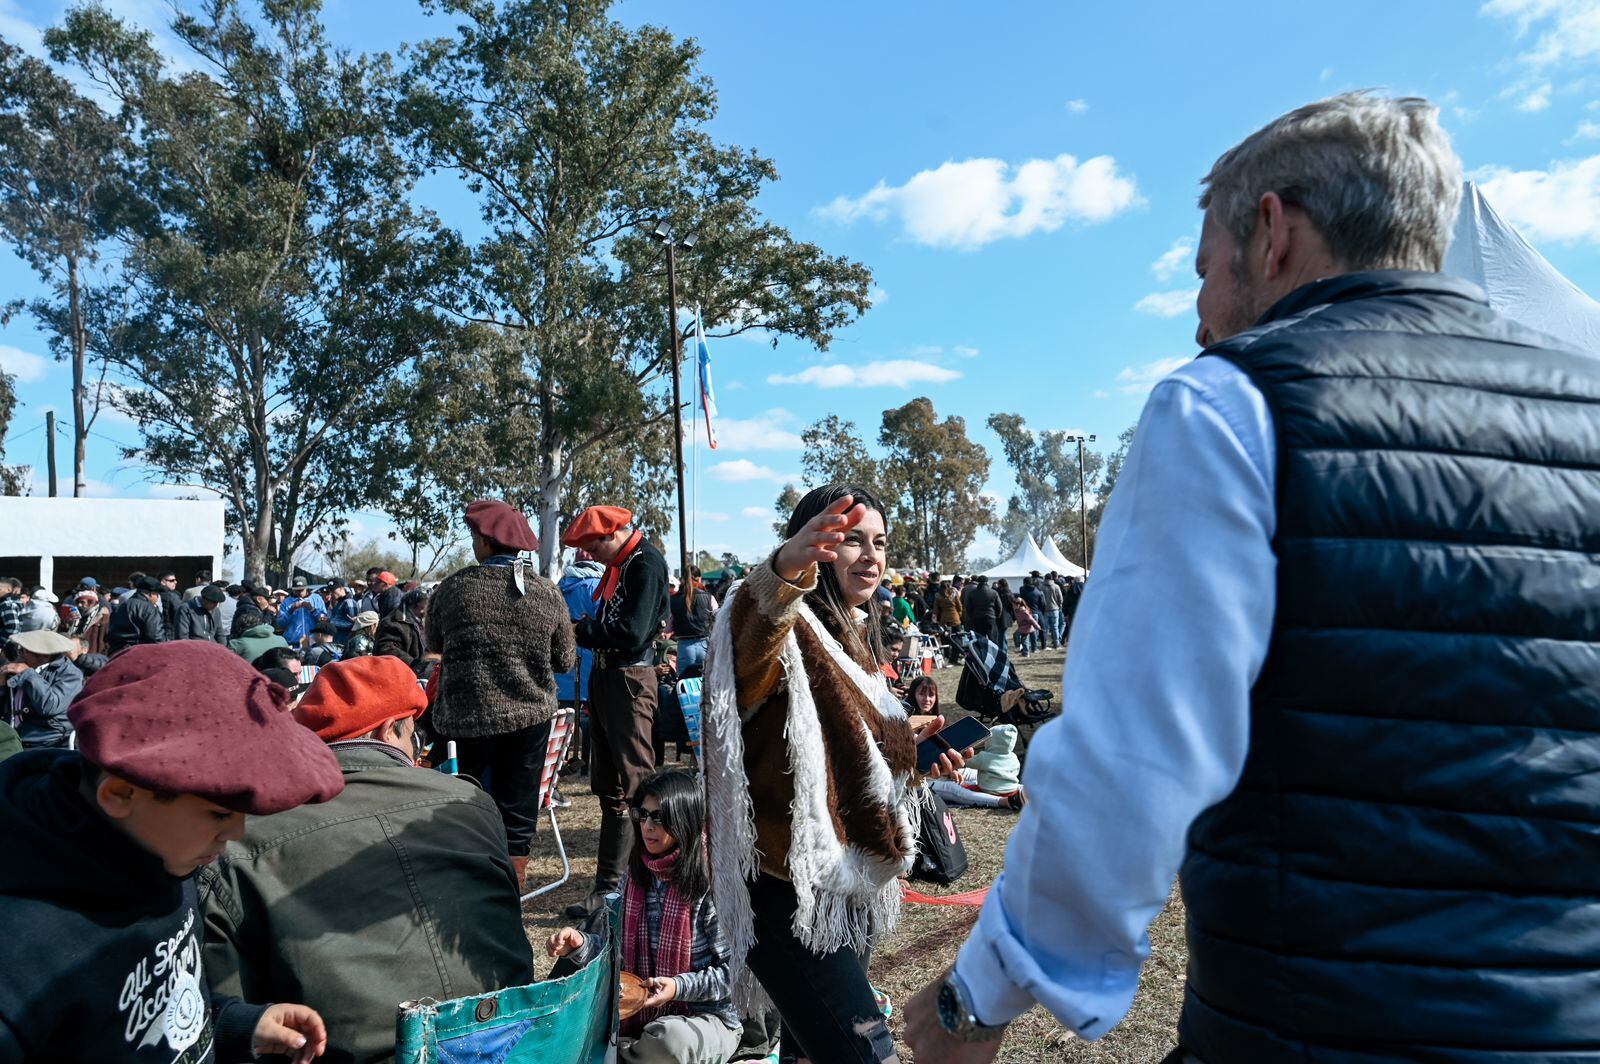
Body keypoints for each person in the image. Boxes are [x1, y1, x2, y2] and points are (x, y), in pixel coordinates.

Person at [903, 93, 1600, 1064]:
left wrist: (972, 1002)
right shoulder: (1583, 406)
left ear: (1270, 231)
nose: (1199, 314)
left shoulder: (1230, 405)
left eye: (1201, 270)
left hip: (1310, 1024)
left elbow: (1125, 771)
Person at [699, 485, 970, 1064]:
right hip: (786, 891)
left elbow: (847, 757)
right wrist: (785, 569)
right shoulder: (785, 625)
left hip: (846, 885)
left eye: (879, 543)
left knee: (807, 1056)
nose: (871, 556)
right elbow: (750, 631)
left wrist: (915, 759)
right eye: (850, 540)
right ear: (814, 545)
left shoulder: (855, 638)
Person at [0, 641, 344, 1063]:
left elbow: (152, 1009)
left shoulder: (165, 854)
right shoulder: (19, 952)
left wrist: (236, 1023)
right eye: (219, 814)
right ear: (121, 794)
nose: (235, 832)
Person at [200, 655, 533, 1064]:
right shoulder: (470, 801)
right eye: (414, 734)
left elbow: (228, 1020)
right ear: (390, 729)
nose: (418, 748)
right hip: (519, 1044)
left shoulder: (238, 842)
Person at [426, 499, 576, 884]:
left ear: (486, 542)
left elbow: (434, 642)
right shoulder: (546, 594)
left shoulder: (452, 589)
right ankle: (509, 890)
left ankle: (463, 883)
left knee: (460, 807)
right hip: (528, 717)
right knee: (517, 811)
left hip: (462, 719)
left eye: (475, 536)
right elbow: (564, 661)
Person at [547, 771, 739, 1064]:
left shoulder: (712, 883)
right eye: (642, 814)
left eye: (659, 817)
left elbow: (735, 976)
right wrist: (580, 945)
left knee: (670, 1042)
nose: (647, 826)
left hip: (706, 1017)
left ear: (685, 819)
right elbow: (616, 955)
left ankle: (615, 1055)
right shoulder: (636, 876)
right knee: (564, 1019)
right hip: (638, 1015)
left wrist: (678, 987)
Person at [561, 505, 669, 919]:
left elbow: (633, 632)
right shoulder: (623, 565)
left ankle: (652, 883)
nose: (590, 556)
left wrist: (582, 630)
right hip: (609, 680)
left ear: (611, 535)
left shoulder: (645, 563)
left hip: (628, 680)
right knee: (610, 788)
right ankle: (610, 889)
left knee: (639, 787)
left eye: (592, 547)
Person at [557, 550, 604, 774]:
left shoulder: (561, 585)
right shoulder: (596, 585)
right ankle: (587, 765)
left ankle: (559, 763)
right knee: (590, 714)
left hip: (563, 651)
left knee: (563, 715)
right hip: (588, 651)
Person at [3, 630, 83, 750]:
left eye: (24, 650)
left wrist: (28, 674)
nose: (20, 654)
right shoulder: (20, 667)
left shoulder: (71, 674)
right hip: (12, 735)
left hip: (47, 739)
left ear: (45, 655)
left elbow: (49, 705)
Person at [667, 566, 716, 677]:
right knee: (706, 684)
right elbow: (717, 621)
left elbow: (668, 628)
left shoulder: (673, 600)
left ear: (681, 580)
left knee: (684, 684)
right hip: (705, 645)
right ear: (699, 579)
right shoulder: (709, 597)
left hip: (685, 646)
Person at [374, 586, 431, 676]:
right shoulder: (393, 622)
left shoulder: (422, 620)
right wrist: (415, 664)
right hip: (401, 676)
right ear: (415, 605)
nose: (429, 607)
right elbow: (385, 649)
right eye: (427, 604)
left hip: (420, 673)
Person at [107, 576, 167, 654]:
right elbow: (156, 637)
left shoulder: (121, 606)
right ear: (150, 594)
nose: (157, 598)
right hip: (137, 654)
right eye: (157, 595)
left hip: (116, 653)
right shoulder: (150, 609)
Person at [274, 576, 327, 651]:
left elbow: (324, 620)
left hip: (314, 643)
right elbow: (280, 624)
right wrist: (291, 610)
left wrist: (312, 610)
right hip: (292, 644)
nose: (299, 593)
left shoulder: (317, 598)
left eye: (302, 590)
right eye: (297, 590)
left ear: (306, 588)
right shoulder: (286, 602)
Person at [962, 576, 1002, 646]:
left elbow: (968, 608)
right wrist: (996, 616)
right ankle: (994, 655)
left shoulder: (972, 593)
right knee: (993, 640)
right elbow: (999, 607)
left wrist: (972, 617)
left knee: (980, 641)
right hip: (990, 618)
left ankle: (982, 655)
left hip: (977, 619)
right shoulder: (994, 592)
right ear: (987, 582)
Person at [72, 588, 110, 656]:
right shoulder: (77, 617)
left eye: (82, 602)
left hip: (94, 657)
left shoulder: (103, 618)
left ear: (92, 603)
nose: (79, 605)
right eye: (78, 603)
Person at [325, 578, 357, 648]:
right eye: (330, 591)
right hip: (338, 643)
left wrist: (331, 621)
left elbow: (353, 624)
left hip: (345, 644)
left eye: (333, 590)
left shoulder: (349, 602)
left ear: (341, 588)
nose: (331, 593)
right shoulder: (339, 603)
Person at [1038, 574, 1064, 650]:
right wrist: (1060, 606)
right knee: (1055, 627)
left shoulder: (1041, 587)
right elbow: (1060, 599)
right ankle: (1056, 644)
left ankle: (1045, 644)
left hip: (1045, 610)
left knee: (1045, 628)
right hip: (1055, 609)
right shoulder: (1056, 586)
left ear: (1045, 578)